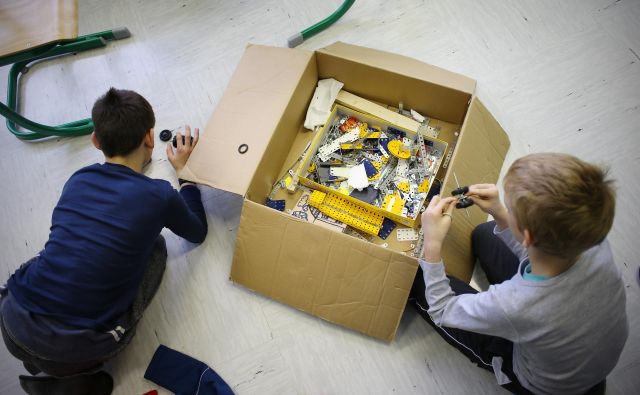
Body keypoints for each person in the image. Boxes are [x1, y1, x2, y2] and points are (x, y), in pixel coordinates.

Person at [0, 88, 208, 394]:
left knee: (58, 252)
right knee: (156, 247)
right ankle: (77, 380)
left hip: (12, 320)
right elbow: (197, 233)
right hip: (76, 352)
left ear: (95, 140)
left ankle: (37, 361)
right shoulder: (160, 195)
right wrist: (185, 174)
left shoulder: (78, 178)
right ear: (150, 138)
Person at [410, 153, 628, 395]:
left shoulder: (516, 305)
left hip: (542, 382)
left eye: (510, 206)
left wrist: (432, 244)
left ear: (528, 237)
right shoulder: (593, 241)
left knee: (418, 282)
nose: (505, 206)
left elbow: (442, 310)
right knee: (485, 233)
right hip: (580, 351)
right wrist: (501, 213)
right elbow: (539, 253)